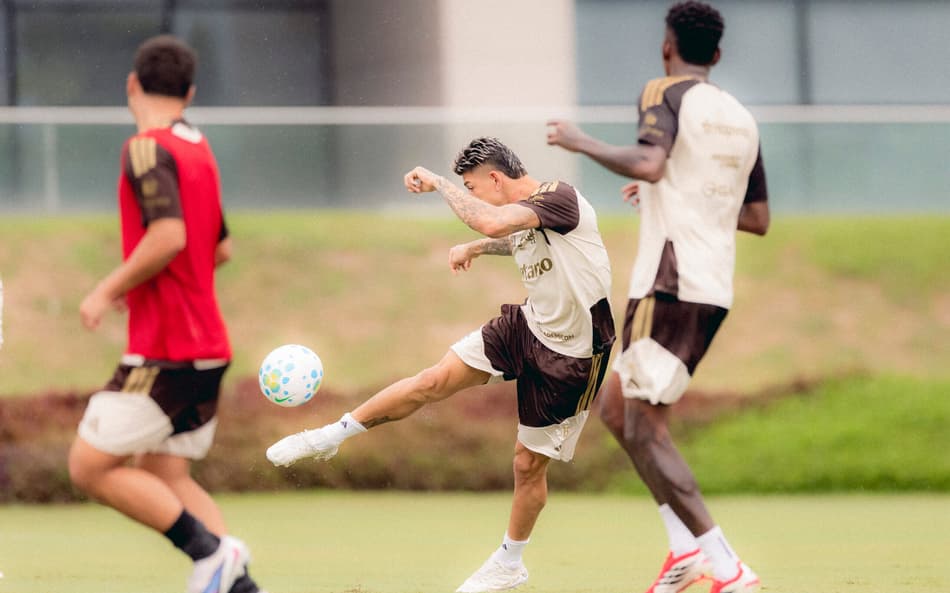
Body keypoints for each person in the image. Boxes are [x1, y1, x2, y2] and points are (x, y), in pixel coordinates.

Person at [266, 137, 615, 593]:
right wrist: (476, 249)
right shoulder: (533, 214)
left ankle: (509, 563)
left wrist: (439, 184)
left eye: (472, 187)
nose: (470, 196)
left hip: (573, 354)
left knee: (527, 465)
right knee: (432, 380)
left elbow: (491, 222)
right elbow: (516, 238)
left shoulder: (559, 196)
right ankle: (331, 436)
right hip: (527, 326)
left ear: (494, 178)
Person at [546, 3, 770, 593]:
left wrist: (578, 141)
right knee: (617, 409)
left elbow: (649, 161)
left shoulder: (664, 89)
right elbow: (756, 216)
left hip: (667, 283)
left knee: (644, 427)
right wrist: (676, 196)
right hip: (711, 288)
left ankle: (726, 565)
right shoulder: (741, 117)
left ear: (667, 46)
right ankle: (683, 551)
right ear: (716, 55)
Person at [67, 35, 264, 593]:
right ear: (191, 92)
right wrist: (156, 281)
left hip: (167, 349)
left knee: (88, 465)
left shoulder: (146, 148)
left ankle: (212, 554)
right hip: (208, 348)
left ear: (132, 84)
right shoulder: (199, 148)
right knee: (164, 473)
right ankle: (238, 584)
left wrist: (107, 290)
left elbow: (170, 235)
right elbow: (218, 247)